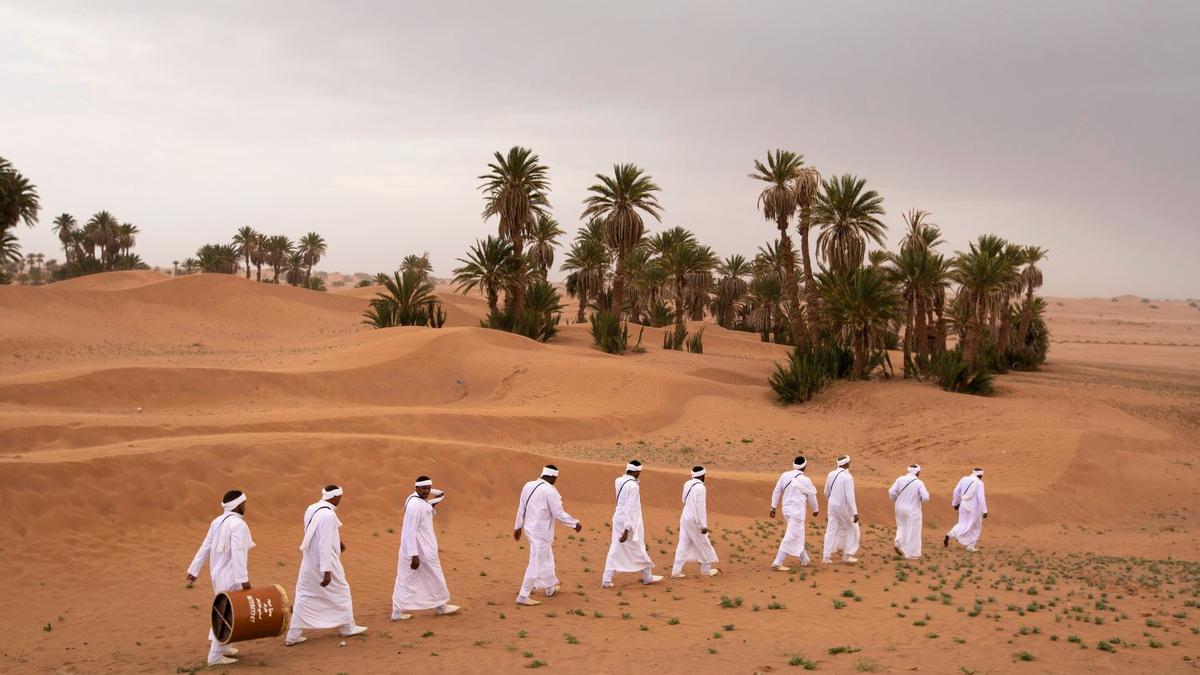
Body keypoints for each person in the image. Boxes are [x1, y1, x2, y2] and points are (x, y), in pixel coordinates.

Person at [286, 485, 367, 646]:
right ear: (334, 497)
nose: (340, 501)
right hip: (326, 562)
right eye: (340, 498)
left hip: (309, 562)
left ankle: (292, 636)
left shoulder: (312, 508)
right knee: (342, 591)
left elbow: (315, 533)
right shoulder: (328, 515)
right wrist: (326, 570)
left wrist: (338, 542)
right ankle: (347, 628)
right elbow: (323, 544)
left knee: (305, 594)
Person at [186, 490, 254, 667]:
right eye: (244, 503)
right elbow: (238, 554)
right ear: (238, 505)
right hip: (231, 575)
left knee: (227, 610)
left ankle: (224, 647)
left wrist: (194, 569)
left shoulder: (217, 521)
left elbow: (205, 546)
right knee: (226, 613)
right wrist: (243, 579)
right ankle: (215, 656)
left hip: (217, 574)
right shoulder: (238, 525)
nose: (245, 506)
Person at [392, 476, 460, 621]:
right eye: (424, 488)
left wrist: (428, 491)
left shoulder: (419, 501)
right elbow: (409, 531)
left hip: (424, 549)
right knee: (412, 578)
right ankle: (399, 611)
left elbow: (440, 495)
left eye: (429, 488)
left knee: (425, 578)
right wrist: (413, 555)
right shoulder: (415, 505)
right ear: (416, 487)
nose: (428, 491)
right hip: (418, 551)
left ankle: (440, 606)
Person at [514, 465, 582, 606]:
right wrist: (574, 523)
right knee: (536, 561)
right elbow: (558, 512)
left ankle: (550, 587)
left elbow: (522, 506)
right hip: (541, 532)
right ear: (553, 476)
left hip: (530, 529)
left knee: (546, 559)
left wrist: (518, 526)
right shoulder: (550, 491)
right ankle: (523, 594)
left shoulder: (528, 485)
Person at [602, 460, 662, 588]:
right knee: (638, 546)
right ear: (635, 471)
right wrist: (627, 529)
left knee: (616, 547)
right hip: (629, 520)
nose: (639, 474)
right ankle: (647, 577)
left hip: (618, 517)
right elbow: (630, 507)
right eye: (639, 472)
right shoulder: (634, 486)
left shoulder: (618, 480)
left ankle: (606, 580)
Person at [769, 456, 819, 571]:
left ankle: (804, 559)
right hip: (797, 512)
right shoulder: (806, 480)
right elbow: (811, 495)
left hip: (786, 510)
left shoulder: (785, 475)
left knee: (796, 532)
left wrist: (773, 507)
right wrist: (815, 509)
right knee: (791, 535)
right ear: (805, 466)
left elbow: (777, 491)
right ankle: (777, 562)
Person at [671, 466, 720, 578]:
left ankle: (675, 571)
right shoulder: (701, 488)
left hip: (685, 516)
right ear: (702, 475)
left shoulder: (687, 484)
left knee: (683, 543)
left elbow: (683, 500)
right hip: (695, 519)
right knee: (704, 543)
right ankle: (706, 571)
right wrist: (703, 525)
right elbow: (700, 507)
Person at [822, 455, 860, 564]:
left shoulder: (831, 474)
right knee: (852, 528)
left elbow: (826, 492)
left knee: (831, 529)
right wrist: (855, 512)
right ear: (846, 464)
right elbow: (850, 497)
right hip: (842, 506)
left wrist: (831, 500)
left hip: (831, 505)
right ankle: (847, 555)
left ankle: (826, 557)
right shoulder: (848, 477)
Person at [888, 464, 930, 559]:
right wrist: (921, 497)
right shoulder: (919, 483)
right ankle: (910, 554)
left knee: (901, 526)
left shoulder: (900, 479)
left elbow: (891, 492)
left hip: (899, 508)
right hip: (912, 510)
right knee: (913, 530)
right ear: (917, 472)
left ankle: (898, 542)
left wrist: (896, 500)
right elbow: (926, 498)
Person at [945, 468, 988, 552]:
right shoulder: (979, 483)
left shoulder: (964, 479)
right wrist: (984, 510)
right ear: (980, 475)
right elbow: (981, 498)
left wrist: (955, 503)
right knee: (976, 526)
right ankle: (970, 546)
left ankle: (949, 534)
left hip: (963, 504)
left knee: (962, 523)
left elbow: (956, 491)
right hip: (974, 508)